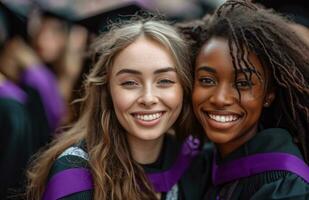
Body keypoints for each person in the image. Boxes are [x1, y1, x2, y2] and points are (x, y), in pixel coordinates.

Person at [27, 17, 211, 200]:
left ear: (184, 88)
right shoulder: (75, 175)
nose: (148, 98)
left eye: (164, 81)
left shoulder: (194, 165)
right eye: (130, 83)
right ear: (107, 90)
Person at [178, 0, 309, 199]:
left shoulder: (282, 184)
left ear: (268, 95)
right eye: (206, 80)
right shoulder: (200, 162)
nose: (220, 98)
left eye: (243, 84)